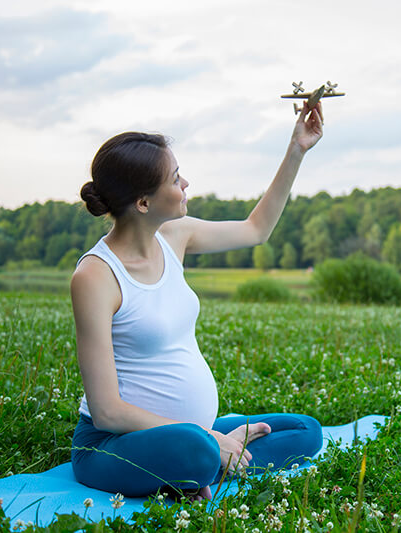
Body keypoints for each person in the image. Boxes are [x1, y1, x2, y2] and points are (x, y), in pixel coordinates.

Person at [69, 101, 325, 500]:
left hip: (197, 431)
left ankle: (215, 458)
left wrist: (297, 149)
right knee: (196, 448)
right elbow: (106, 411)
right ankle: (209, 457)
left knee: (306, 430)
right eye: (174, 178)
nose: (185, 182)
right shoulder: (96, 276)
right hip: (112, 443)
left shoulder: (175, 236)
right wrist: (205, 437)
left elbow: (255, 229)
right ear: (143, 202)